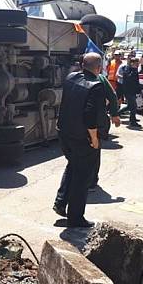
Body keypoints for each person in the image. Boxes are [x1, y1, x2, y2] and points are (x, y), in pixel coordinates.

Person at [52, 52, 106, 228]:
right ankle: (76, 217)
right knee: (82, 177)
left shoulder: (70, 78)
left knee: (72, 166)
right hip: (82, 138)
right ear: (98, 68)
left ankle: (61, 202)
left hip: (65, 134)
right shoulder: (96, 86)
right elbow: (90, 116)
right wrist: (94, 139)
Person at [122, 57, 142, 127]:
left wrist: (139, 89)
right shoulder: (127, 69)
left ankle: (116, 114)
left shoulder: (135, 70)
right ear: (132, 63)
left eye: (138, 63)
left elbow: (136, 81)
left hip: (133, 91)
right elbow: (128, 79)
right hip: (128, 91)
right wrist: (133, 70)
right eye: (136, 63)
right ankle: (132, 121)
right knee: (133, 106)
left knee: (130, 106)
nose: (137, 65)